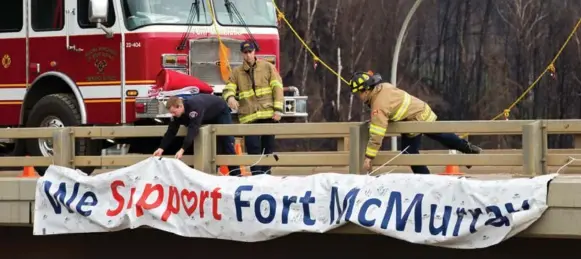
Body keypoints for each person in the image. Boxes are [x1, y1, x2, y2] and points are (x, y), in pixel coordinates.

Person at [348, 71, 483, 174]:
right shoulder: (382, 87)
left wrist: (368, 157)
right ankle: (468, 149)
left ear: (365, 90)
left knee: (416, 150)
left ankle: (426, 181)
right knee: (432, 141)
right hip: (417, 112)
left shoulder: (378, 104)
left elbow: (377, 133)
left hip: (416, 117)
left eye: (358, 94)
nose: (358, 97)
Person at [222, 40, 285, 175]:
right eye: (245, 53)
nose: (248, 55)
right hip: (249, 118)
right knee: (253, 149)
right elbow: (228, 88)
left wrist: (278, 110)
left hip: (268, 115)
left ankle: (266, 177)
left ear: (254, 52)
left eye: (250, 52)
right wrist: (230, 97)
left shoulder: (268, 67)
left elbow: (277, 88)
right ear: (242, 54)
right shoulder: (237, 72)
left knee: (268, 149)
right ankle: (256, 178)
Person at [153, 94, 241, 175]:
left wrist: (182, 149)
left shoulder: (194, 107)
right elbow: (171, 131)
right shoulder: (177, 115)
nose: (173, 115)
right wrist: (161, 148)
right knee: (212, 147)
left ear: (180, 106)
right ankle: (212, 174)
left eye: (174, 112)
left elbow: (193, 129)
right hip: (206, 115)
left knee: (227, 142)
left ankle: (237, 175)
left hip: (220, 112)